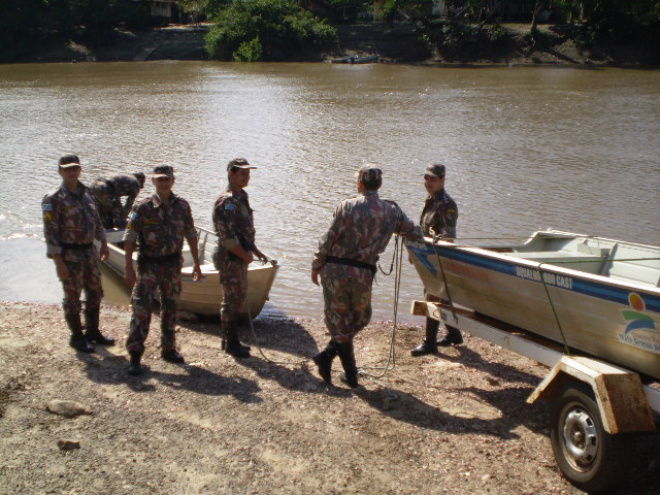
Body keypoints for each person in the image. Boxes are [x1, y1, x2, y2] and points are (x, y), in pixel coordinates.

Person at [311, 165, 422, 387]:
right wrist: (416, 252)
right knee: (359, 318)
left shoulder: (346, 206)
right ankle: (350, 375)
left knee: (342, 320)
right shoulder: (392, 211)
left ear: (359, 183)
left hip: (336, 271)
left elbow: (329, 238)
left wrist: (316, 263)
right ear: (379, 184)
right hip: (362, 273)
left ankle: (327, 357)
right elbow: (414, 232)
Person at [123, 165, 202, 375]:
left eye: (167, 179)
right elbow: (129, 237)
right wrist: (128, 268)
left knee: (170, 308)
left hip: (173, 265)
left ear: (173, 181)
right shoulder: (143, 207)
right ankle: (135, 354)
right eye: (159, 180)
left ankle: (168, 349)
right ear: (153, 182)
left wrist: (196, 262)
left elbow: (191, 233)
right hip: (148, 265)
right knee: (141, 309)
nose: (164, 183)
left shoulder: (183, 206)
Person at [42, 154, 114, 353]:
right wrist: (58, 262)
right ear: (60, 171)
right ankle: (76, 337)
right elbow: (50, 232)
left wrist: (104, 243)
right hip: (69, 255)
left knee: (95, 293)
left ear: (80, 169)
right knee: (72, 297)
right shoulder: (53, 198)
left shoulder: (87, 192)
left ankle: (93, 332)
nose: (71, 172)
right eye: (67, 169)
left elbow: (96, 220)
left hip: (89, 252)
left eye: (74, 168)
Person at [212, 158, 268, 358]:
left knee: (237, 299)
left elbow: (243, 232)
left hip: (240, 256)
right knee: (231, 300)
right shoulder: (227, 202)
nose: (247, 176)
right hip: (230, 257)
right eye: (242, 173)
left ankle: (229, 340)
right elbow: (227, 239)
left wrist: (256, 251)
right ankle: (230, 342)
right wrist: (246, 256)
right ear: (231, 174)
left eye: (248, 173)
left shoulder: (242, 197)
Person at [411, 163, 462, 357]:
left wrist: (432, 257)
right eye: (426, 178)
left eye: (433, 179)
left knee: (432, 295)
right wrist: (415, 252)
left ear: (442, 180)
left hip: (439, 259)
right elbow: (424, 230)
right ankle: (454, 334)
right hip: (426, 256)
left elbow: (448, 239)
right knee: (443, 297)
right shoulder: (430, 201)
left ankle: (429, 343)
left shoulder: (447, 205)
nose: (428, 182)